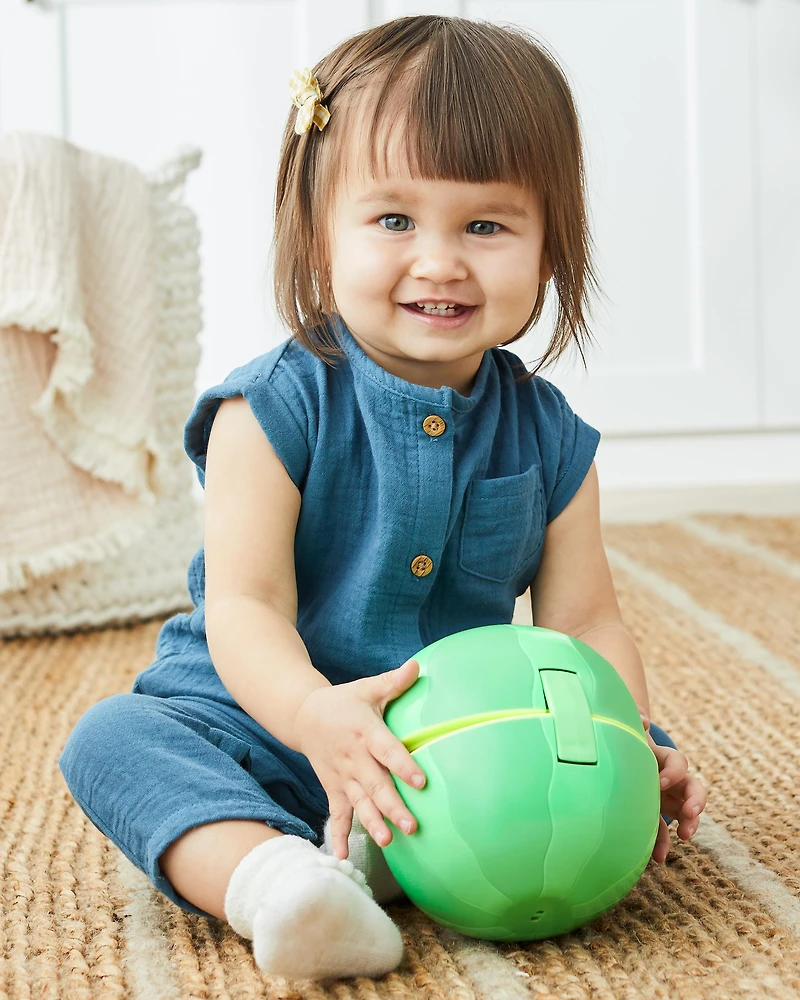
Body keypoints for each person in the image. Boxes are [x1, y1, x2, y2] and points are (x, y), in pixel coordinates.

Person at [59, 14, 707, 982]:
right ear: (319, 236)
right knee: (113, 740)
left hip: (460, 747)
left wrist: (627, 738)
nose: (439, 260)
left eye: (484, 225)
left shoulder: (553, 435)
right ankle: (274, 878)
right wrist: (312, 715)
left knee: (559, 793)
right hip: (264, 720)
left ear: (549, 245)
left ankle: (389, 847)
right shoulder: (266, 409)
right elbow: (244, 606)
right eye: (393, 220)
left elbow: (582, 620)